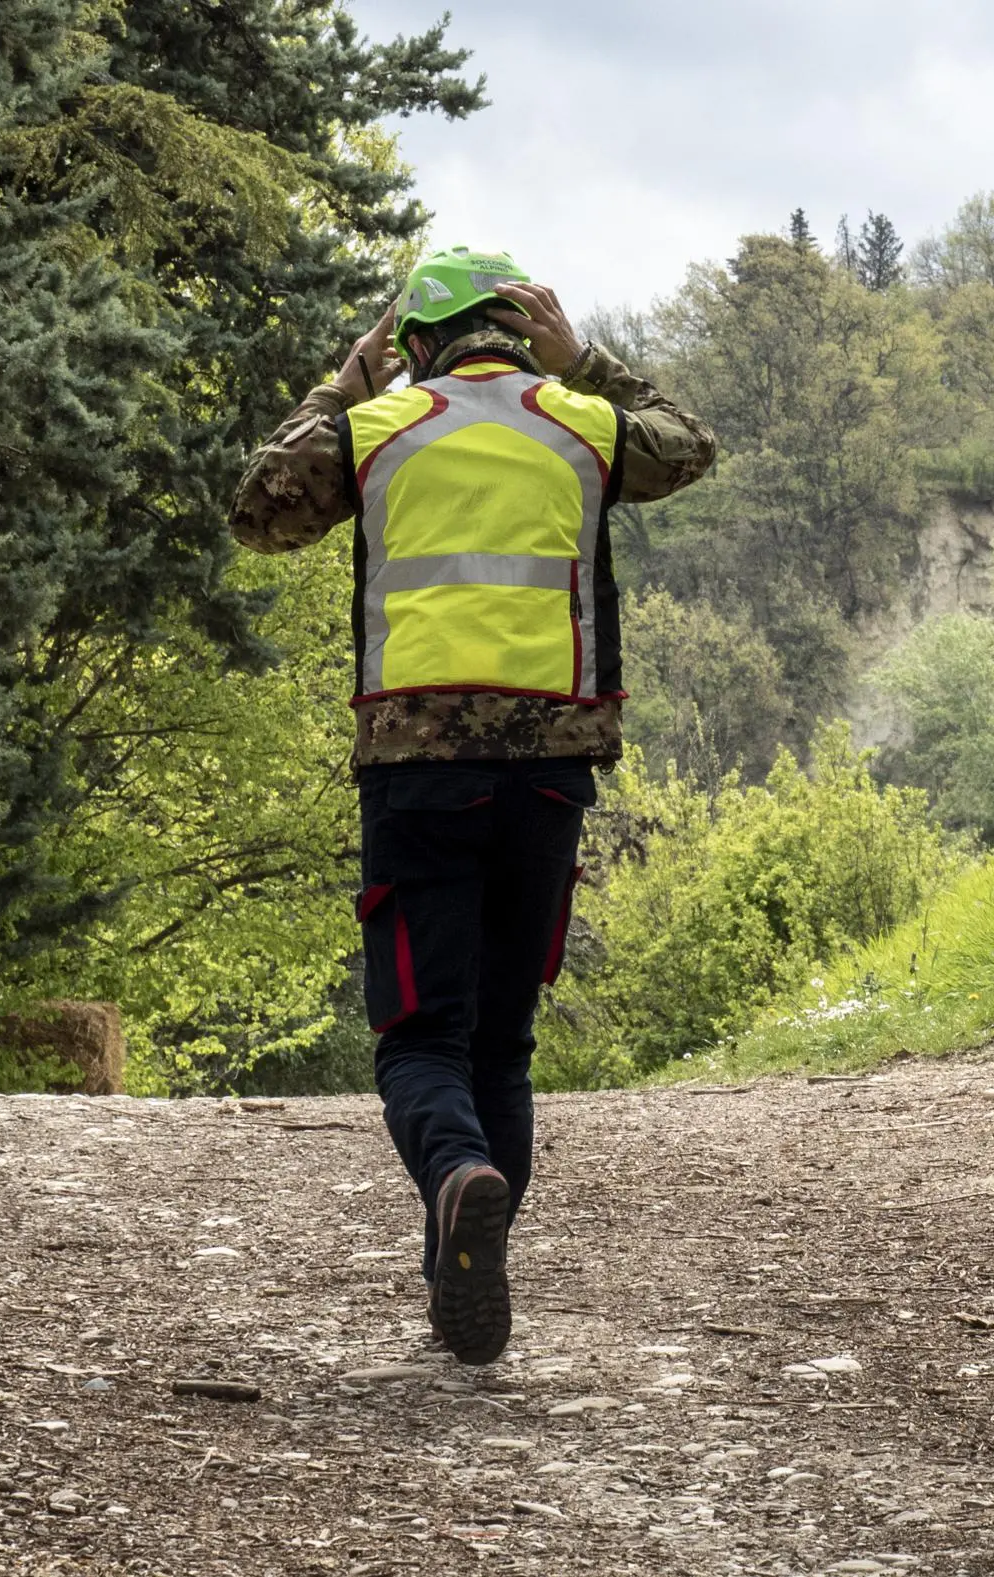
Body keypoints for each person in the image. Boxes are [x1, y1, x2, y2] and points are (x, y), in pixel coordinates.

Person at [229, 248, 715, 1363]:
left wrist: (342, 387)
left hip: (416, 767)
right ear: (519, 327)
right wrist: (585, 357)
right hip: (552, 764)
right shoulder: (584, 424)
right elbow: (691, 444)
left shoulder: (379, 425)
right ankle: (463, 1248)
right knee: (501, 1044)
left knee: (417, 1037)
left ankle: (457, 1179)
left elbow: (259, 511)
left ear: (413, 341)